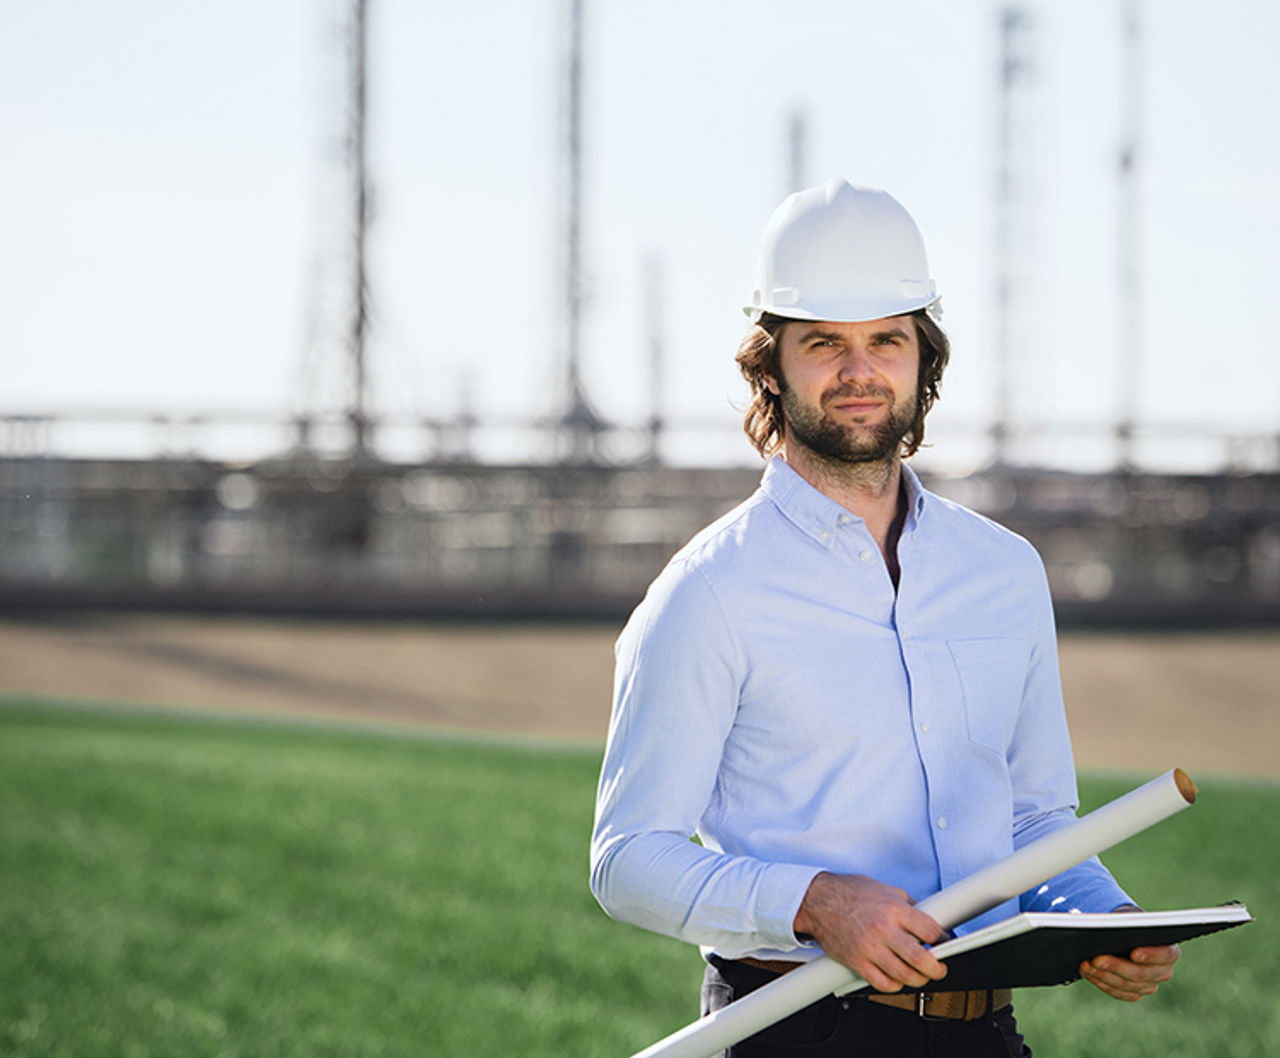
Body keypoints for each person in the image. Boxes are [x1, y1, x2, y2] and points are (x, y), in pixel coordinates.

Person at [589, 178, 1179, 1057]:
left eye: (887, 340)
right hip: (791, 1028)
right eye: (824, 341)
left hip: (984, 1035)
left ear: (922, 356)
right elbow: (627, 859)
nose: (859, 371)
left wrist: (1103, 919)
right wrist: (814, 903)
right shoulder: (709, 591)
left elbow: (1033, 821)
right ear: (771, 364)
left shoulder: (1005, 573)